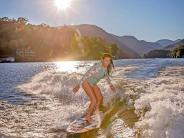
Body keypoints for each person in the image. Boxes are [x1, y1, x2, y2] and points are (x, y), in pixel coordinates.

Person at [73, 53, 116, 124]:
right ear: (102, 60)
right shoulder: (98, 66)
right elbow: (87, 74)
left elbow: (107, 77)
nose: (107, 63)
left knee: (100, 98)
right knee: (94, 100)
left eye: (109, 61)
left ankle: (95, 112)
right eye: (106, 60)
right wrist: (79, 85)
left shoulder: (105, 68)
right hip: (86, 82)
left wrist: (111, 86)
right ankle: (88, 116)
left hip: (93, 83)